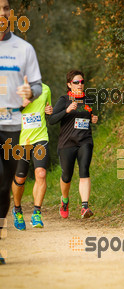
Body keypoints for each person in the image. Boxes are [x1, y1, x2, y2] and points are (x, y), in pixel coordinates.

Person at [0, 0, 42, 264]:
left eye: (5, 7)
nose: (1, 13)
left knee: (4, 186)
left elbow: (36, 85)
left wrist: (31, 92)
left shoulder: (23, 49)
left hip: (12, 126)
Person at [49, 70, 98, 219]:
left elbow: (89, 116)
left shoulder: (88, 100)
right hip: (67, 143)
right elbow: (51, 120)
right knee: (67, 176)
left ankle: (84, 207)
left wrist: (93, 118)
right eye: (76, 82)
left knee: (84, 170)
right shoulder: (64, 99)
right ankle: (65, 200)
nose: (80, 85)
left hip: (85, 140)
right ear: (69, 84)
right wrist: (66, 111)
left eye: (82, 82)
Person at [12, 84, 53, 230]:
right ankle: (17, 210)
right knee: (20, 178)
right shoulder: (15, 88)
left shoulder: (45, 89)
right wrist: (21, 105)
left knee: (41, 173)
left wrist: (49, 111)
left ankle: (37, 213)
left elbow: (48, 109)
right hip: (20, 140)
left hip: (40, 137)